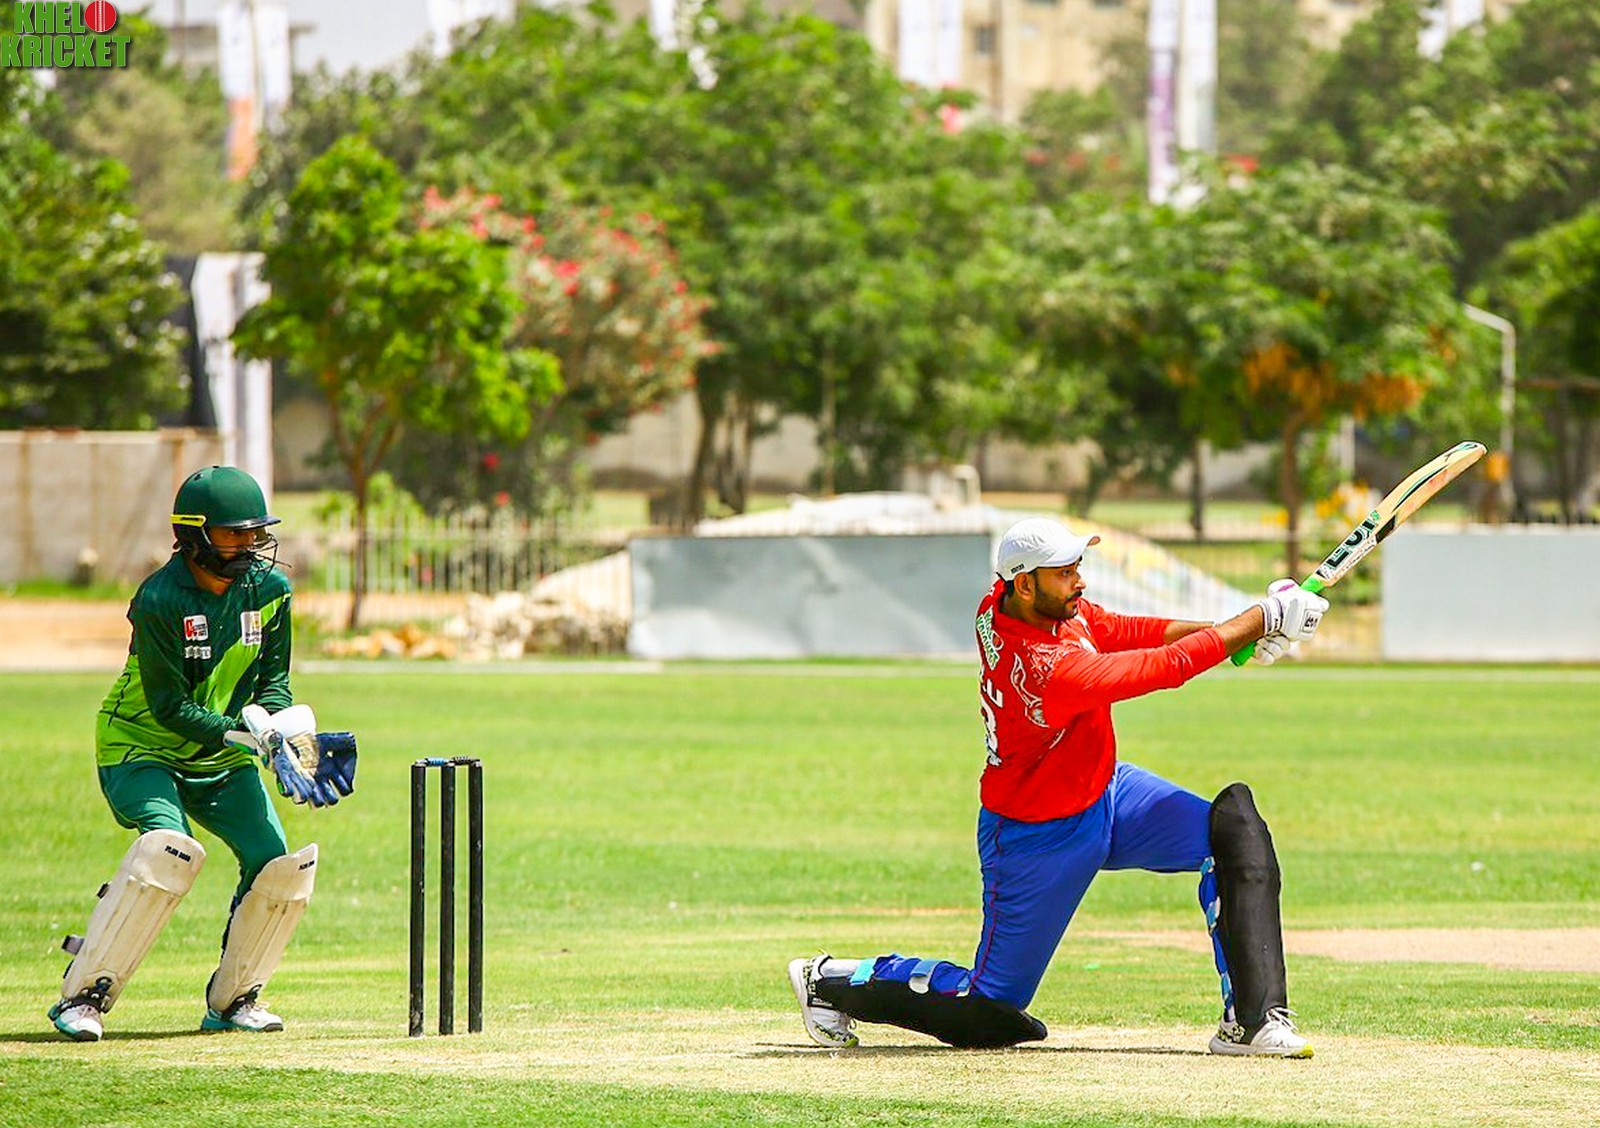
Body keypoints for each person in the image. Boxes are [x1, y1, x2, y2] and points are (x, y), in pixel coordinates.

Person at [787, 517, 1328, 1058]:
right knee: (988, 1009)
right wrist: (1261, 617)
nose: (1080, 581)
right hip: (1035, 835)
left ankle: (1252, 1023)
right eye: (1065, 573)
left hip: (1108, 793)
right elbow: (1165, 667)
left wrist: (1240, 631)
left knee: (1232, 832)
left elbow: (1119, 629)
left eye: (1077, 568)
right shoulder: (1045, 670)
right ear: (1025, 584)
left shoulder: (1009, 604)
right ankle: (828, 981)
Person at [48, 465, 356, 1043]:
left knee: (279, 864)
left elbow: (273, 684)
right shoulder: (160, 599)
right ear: (194, 535)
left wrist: (284, 737)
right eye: (234, 533)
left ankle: (235, 998)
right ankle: (84, 997)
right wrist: (248, 736)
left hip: (219, 756)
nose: (250, 543)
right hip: (141, 747)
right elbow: (169, 708)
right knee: (169, 851)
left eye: (255, 532)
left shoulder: (270, 591)